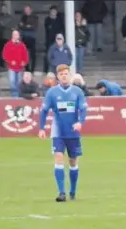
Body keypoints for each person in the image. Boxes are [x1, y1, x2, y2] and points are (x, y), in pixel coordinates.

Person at [39, 64, 87, 202]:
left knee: (73, 161)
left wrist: (80, 122)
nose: (64, 76)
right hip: (58, 132)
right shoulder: (52, 92)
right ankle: (61, 193)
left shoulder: (77, 92)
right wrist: (42, 128)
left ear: (70, 75)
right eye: (61, 74)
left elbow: (83, 109)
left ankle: (72, 190)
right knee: (59, 158)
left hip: (73, 132)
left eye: (66, 73)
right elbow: (43, 111)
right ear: (57, 77)